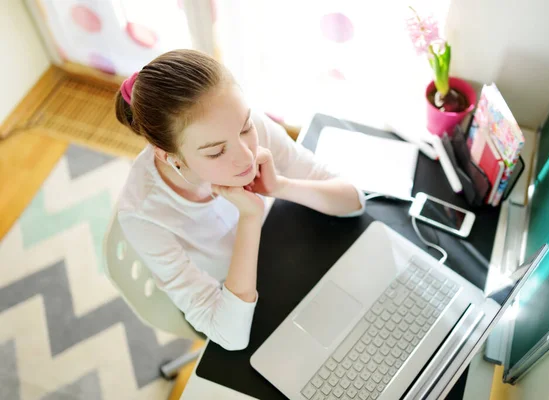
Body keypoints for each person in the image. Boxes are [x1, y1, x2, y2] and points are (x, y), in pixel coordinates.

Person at [114, 49, 365, 351]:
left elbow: (353, 202)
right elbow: (229, 336)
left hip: (282, 246)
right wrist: (250, 217)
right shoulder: (143, 214)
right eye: (216, 151)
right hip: (232, 292)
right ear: (169, 156)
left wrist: (280, 186)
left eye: (245, 128)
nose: (247, 157)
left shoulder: (243, 124)